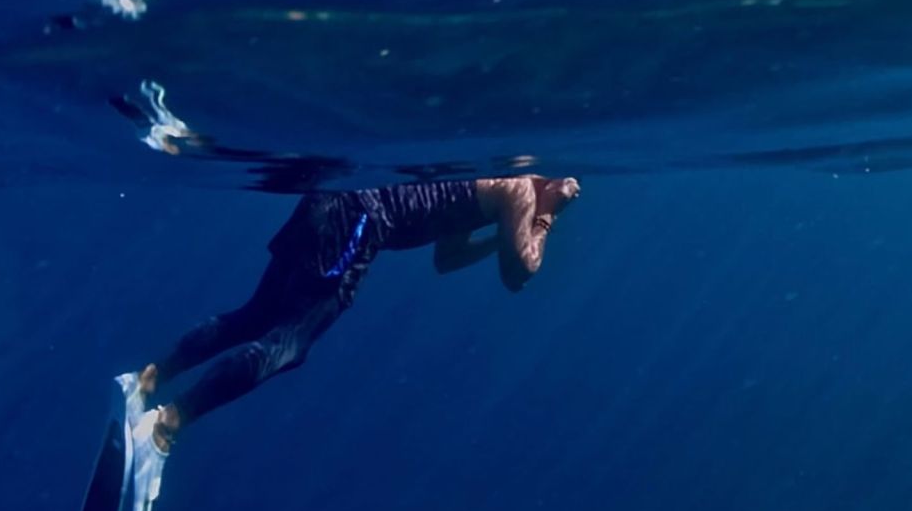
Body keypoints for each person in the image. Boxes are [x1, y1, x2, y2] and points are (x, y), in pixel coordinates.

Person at [119, 175, 581, 481]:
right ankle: (166, 424)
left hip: (334, 196)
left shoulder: (476, 174)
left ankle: (150, 378)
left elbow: (446, 259)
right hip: (359, 221)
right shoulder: (520, 190)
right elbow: (520, 272)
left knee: (256, 315)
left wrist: (500, 233)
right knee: (288, 344)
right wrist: (548, 213)